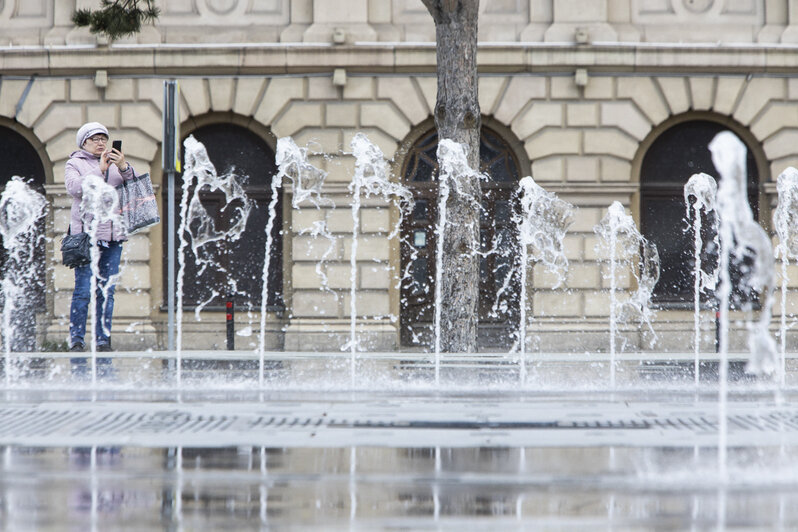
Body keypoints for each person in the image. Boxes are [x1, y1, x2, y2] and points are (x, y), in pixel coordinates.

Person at [64, 122, 133, 372]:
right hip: (86, 237)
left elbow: (133, 185)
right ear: (84, 142)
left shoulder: (115, 163)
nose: (101, 142)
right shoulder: (75, 164)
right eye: (95, 138)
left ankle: (103, 340)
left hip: (113, 237)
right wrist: (98, 171)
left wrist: (123, 166)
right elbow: (73, 188)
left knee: (107, 291)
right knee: (83, 290)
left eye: (104, 138)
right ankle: (77, 340)